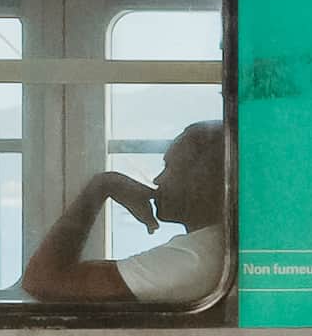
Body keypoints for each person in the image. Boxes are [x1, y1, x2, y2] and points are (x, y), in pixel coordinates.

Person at [21, 120, 225, 304]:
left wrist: (101, 187)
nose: (158, 180)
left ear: (203, 183)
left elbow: (43, 281)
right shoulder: (210, 247)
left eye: (171, 169)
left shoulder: (196, 257)